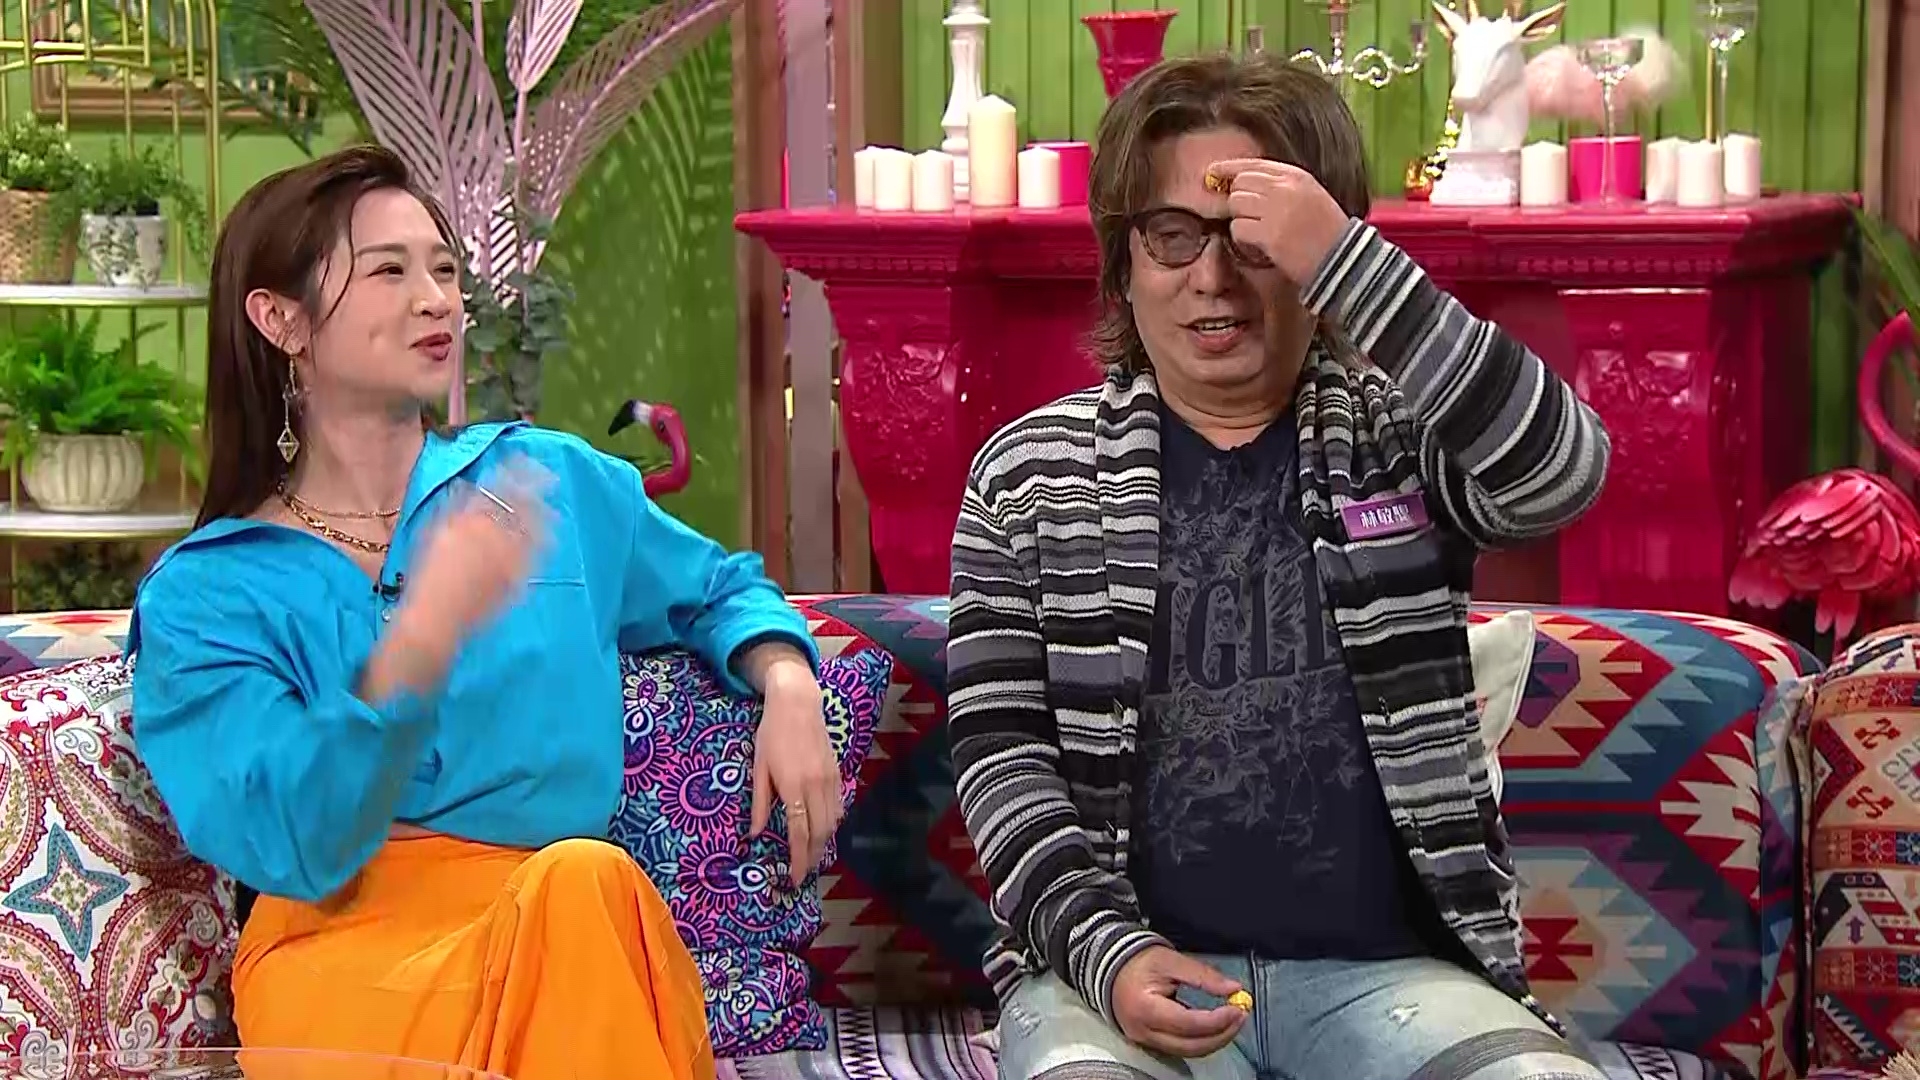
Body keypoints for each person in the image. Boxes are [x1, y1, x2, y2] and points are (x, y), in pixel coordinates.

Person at [947, 54, 1613, 1080]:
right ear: (1123, 262)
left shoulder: (1398, 442)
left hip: (1392, 976)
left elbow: (1561, 471)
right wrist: (1107, 955)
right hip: (1117, 982)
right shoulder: (1030, 475)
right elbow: (1001, 759)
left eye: (1254, 238)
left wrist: (1351, 261)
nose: (1212, 278)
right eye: (1172, 235)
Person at [128, 146, 843, 1080]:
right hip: (343, 963)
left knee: (582, 885)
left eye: (445, 271)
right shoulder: (207, 594)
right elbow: (285, 838)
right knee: (579, 901)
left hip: (566, 929)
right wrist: (424, 636)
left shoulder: (546, 483)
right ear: (282, 319)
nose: (436, 301)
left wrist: (788, 680)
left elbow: (718, 587)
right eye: (389, 271)